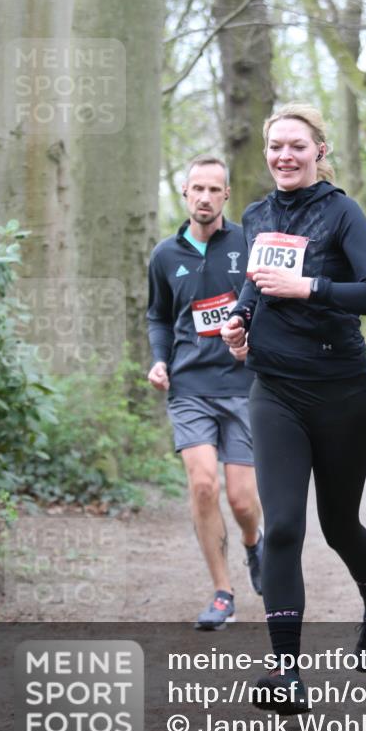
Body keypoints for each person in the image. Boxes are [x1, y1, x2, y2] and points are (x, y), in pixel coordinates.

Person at [220, 103, 366, 714]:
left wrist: (311, 288)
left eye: (296, 146)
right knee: (284, 526)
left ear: (320, 151)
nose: (284, 156)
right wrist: (239, 323)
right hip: (276, 391)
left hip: (343, 394)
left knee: (339, 523)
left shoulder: (343, 213)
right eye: (275, 147)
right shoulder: (256, 214)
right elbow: (252, 283)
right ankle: (285, 672)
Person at [147, 155, 264, 630]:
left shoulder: (246, 243)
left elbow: (266, 303)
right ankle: (223, 592)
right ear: (184, 193)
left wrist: (255, 342)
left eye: (214, 190)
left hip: (243, 385)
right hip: (189, 384)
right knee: (201, 486)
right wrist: (159, 359)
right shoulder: (164, 255)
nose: (205, 197)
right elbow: (158, 316)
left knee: (240, 500)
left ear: (226, 196)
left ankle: (254, 546)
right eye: (197, 188)